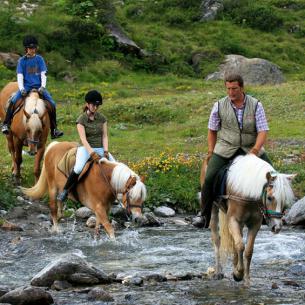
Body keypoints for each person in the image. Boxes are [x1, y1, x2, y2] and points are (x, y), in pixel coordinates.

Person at [200, 73, 272, 228]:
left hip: (250, 148)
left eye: (234, 88)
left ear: (241, 87)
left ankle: (271, 214)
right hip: (226, 147)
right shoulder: (219, 105)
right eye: (228, 89)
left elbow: (263, 131)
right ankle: (203, 215)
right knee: (210, 177)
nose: (231, 92)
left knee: (273, 177)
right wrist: (211, 151)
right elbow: (212, 130)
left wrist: (255, 150)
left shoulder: (256, 105)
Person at [1, 35, 63, 139]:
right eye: (30, 48)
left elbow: (44, 74)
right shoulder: (22, 61)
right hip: (26, 87)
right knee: (13, 101)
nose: (32, 50)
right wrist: (21, 89)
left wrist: (43, 87)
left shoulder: (40, 59)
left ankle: (54, 129)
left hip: (39, 88)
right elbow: (20, 76)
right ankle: (6, 124)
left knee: (52, 103)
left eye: (34, 48)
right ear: (26, 49)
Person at [57, 89, 114, 202]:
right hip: (85, 148)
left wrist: (106, 151)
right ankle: (65, 190)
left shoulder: (102, 118)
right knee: (78, 168)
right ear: (87, 104)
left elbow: (104, 136)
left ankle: (114, 193)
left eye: (98, 105)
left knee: (115, 166)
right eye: (93, 105)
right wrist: (92, 153)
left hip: (100, 148)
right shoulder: (81, 119)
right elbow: (83, 139)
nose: (96, 107)